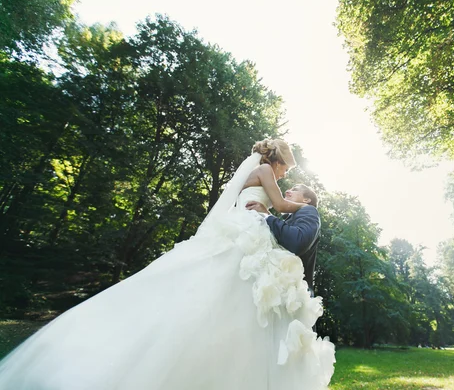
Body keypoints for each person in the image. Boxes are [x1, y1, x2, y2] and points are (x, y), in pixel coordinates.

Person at [0, 139, 335, 390]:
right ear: (273, 161)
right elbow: (276, 203)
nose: (284, 174)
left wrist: (289, 211)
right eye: (285, 169)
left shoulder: (254, 172)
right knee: (233, 286)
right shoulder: (264, 172)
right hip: (248, 229)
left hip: (246, 225)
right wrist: (303, 207)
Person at [246, 184, 320, 295]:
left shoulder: (310, 210)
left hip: (295, 295)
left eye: (295, 190)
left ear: (306, 200)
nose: (287, 191)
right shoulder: (289, 219)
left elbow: (297, 241)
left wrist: (266, 215)